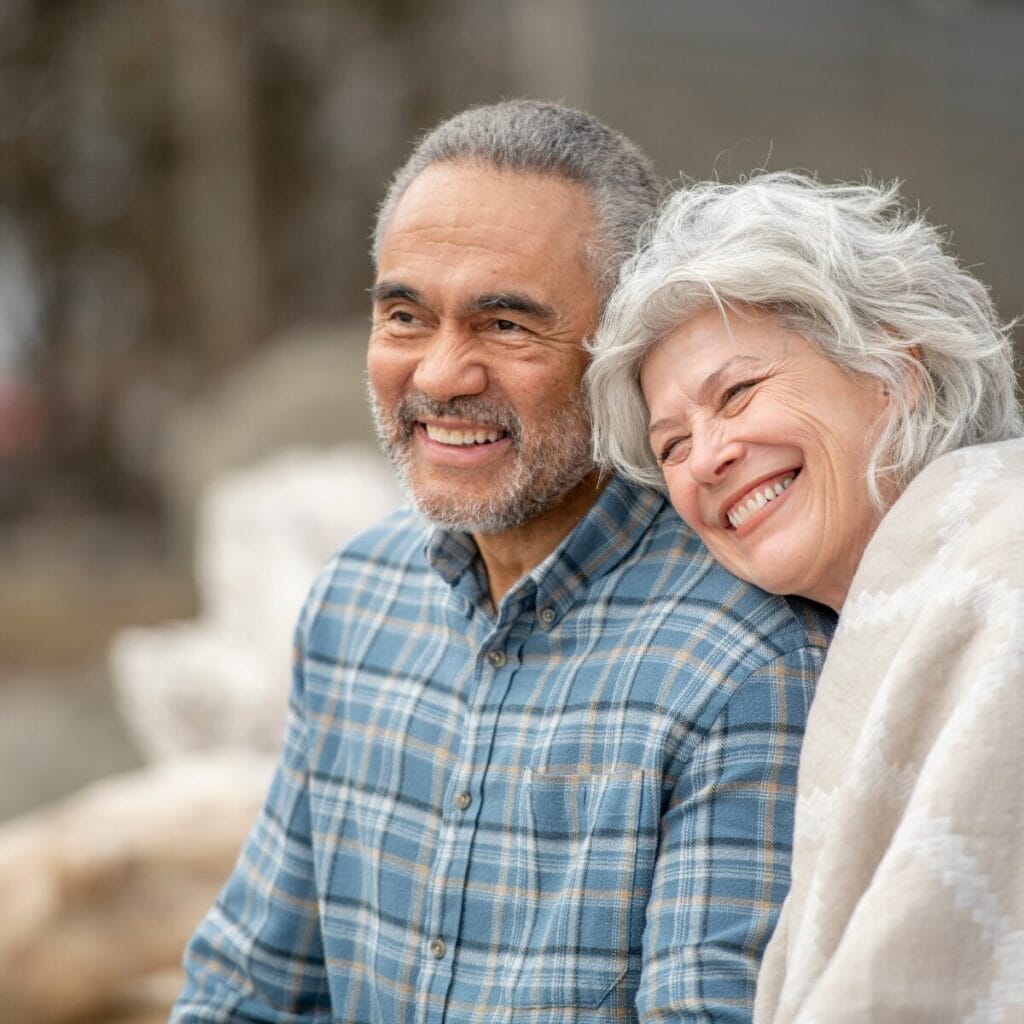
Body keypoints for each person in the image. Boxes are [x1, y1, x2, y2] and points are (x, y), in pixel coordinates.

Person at [171, 104, 835, 1023]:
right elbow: (249, 989)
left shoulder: (747, 659)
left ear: (625, 349)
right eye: (405, 315)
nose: (440, 376)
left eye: (505, 325)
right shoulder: (356, 599)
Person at [587, 171, 1024, 1023]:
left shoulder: (1003, 576)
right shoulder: (855, 625)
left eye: (737, 393)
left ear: (896, 369)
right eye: (671, 445)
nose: (706, 458)